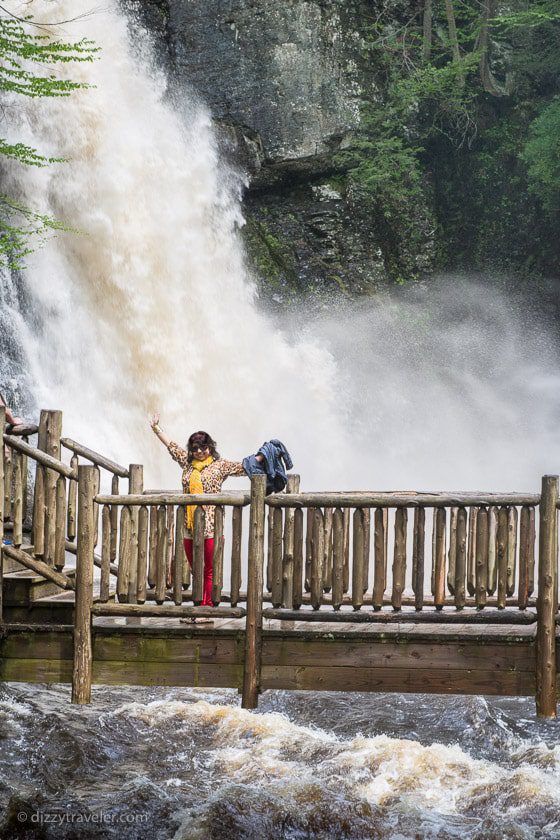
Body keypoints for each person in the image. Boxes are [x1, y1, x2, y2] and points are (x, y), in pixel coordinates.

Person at [150, 413, 263, 619]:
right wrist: (156, 428)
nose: (200, 451)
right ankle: (198, 607)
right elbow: (172, 446)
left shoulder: (220, 465)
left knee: (208, 569)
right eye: (195, 448)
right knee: (195, 568)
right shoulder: (187, 463)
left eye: (203, 447)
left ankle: (207, 608)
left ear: (210, 447)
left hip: (211, 524)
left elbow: (244, 466)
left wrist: (263, 455)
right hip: (189, 525)